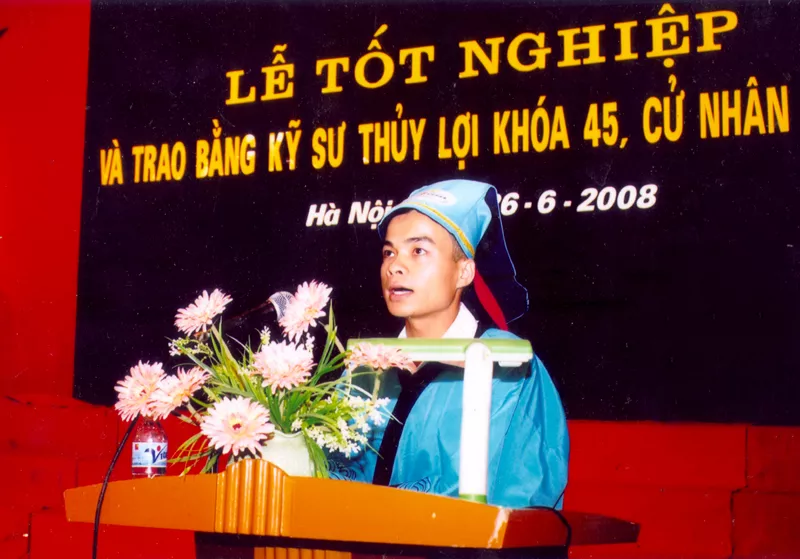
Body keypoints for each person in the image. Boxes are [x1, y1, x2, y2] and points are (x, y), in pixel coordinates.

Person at [330, 178, 569, 509]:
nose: (394, 266)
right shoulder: (364, 368)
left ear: (464, 272)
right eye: (389, 252)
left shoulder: (508, 368)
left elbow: (512, 499)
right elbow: (330, 474)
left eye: (418, 251)